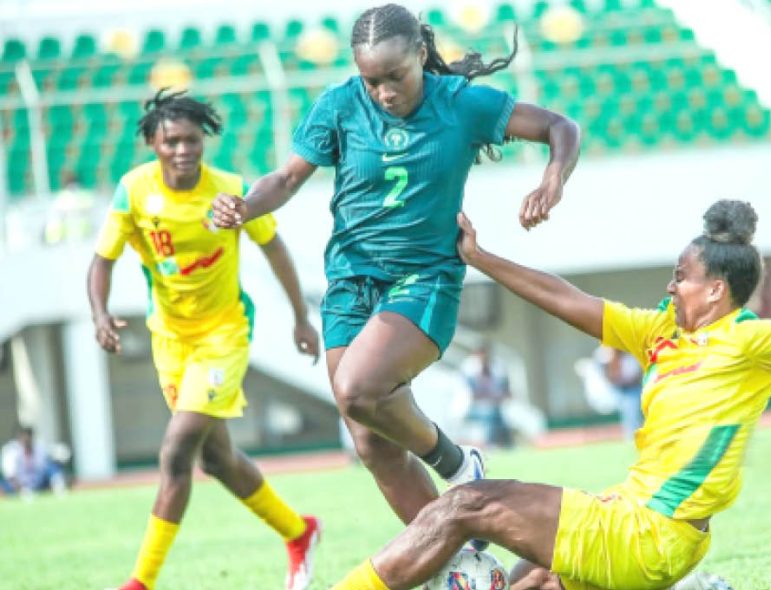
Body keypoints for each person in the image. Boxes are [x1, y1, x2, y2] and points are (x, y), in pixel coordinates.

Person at [327, 200, 771, 590]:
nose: (670, 285)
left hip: (651, 535)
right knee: (532, 576)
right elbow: (564, 298)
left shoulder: (750, 339)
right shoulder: (661, 334)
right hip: (631, 519)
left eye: (681, 276)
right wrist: (480, 259)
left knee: (464, 505)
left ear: (716, 290)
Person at [211, 1, 580, 548]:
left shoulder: (461, 104)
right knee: (370, 441)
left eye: (395, 77)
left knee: (358, 389)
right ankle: (455, 562)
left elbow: (558, 126)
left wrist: (553, 180)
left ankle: (457, 465)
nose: (383, 91)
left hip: (424, 279)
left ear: (421, 55)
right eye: (371, 80)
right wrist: (245, 204)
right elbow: (286, 178)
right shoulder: (338, 105)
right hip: (349, 283)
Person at [87, 89, 323, 590]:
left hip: (224, 335)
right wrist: (100, 313)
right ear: (153, 142)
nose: (183, 149)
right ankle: (299, 532)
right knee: (217, 460)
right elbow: (101, 261)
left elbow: (275, 248)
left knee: (176, 453)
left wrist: (301, 318)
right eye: (171, 140)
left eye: (192, 140)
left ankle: (140, 582)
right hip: (169, 341)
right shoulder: (133, 192)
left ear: (204, 142)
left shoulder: (229, 190)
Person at [460, 342, 513, 449]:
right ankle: (490, 445)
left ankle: (508, 446)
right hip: (471, 407)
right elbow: (474, 394)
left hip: (496, 405)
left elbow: (506, 390)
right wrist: (494, 397)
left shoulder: (496, 366)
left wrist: (500, 396)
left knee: (503, 418)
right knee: (490, 413)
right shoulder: (469, 367)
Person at [0, 426, 68, 496]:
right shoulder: (11, 451)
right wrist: (22, 489)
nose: (27, 440)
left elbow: (51, 465)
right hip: (19, 484)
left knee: (52, 467)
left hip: (38, 482)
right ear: (19, 438)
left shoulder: (40, 448)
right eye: (24, 438)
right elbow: (10, 476)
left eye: (29, 438)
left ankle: (59, 487)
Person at [595, 344, 644, 439]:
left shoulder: (633, 353)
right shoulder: (605, 354)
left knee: (631, 402)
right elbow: (607, 376)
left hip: (634, 388)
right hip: (613, 390)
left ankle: (634, 435)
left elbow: (637, 375)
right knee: (629, 403)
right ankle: (632, 435)